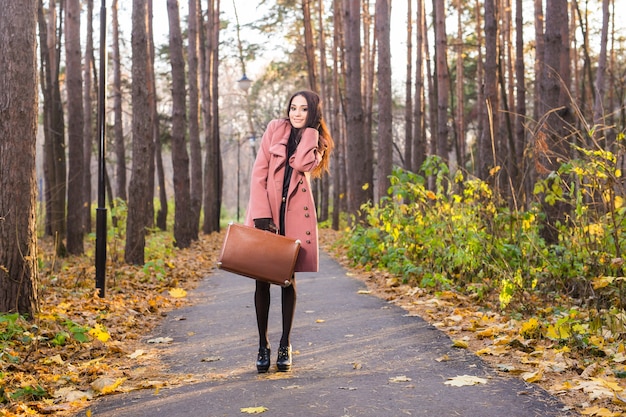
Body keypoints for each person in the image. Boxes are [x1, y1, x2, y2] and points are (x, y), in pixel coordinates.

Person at [245, 90, 334, 373]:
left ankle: (285, 344)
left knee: (287, 281)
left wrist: (309, 132)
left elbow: (300, 164)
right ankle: (263, 344)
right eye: (293, 108)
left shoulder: (316, 143)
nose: (296, 113)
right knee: (261, 281)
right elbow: (259, 172)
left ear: (313, 113)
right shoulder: (275, 128)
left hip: (293, 220)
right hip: (265, 216)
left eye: (303, 109)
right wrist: (260, 214)